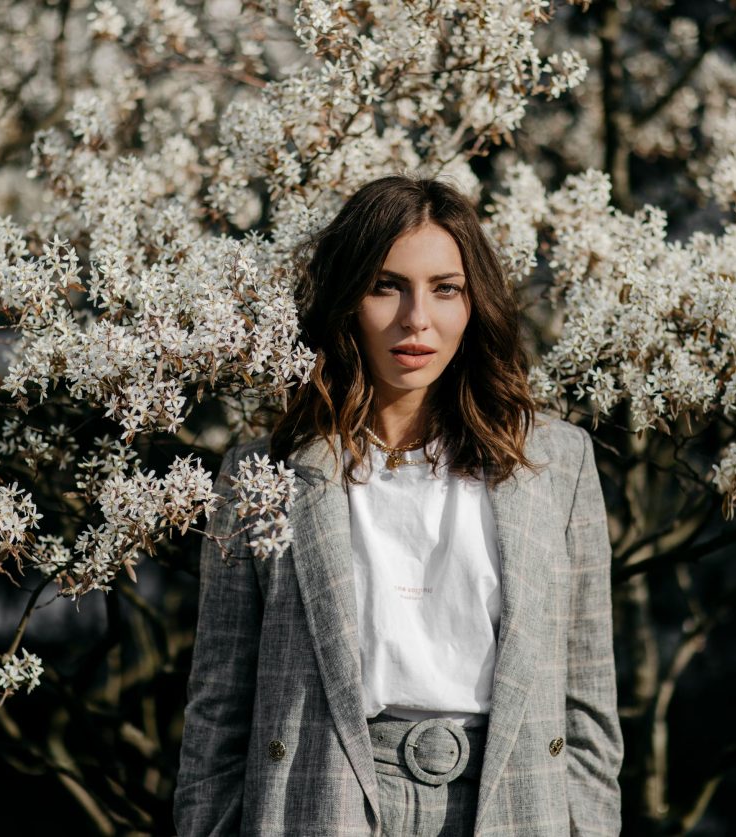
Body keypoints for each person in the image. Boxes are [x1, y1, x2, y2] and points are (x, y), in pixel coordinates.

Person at [175, 175, 622, 836]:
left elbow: (586, 701)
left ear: (474, 305)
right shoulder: (262, 475)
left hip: (511, 801)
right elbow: (218, 704)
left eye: (445, 288)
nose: (417, 319)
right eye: (386, 285)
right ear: (346, 298)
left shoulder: (556, 463)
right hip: (321, 799)